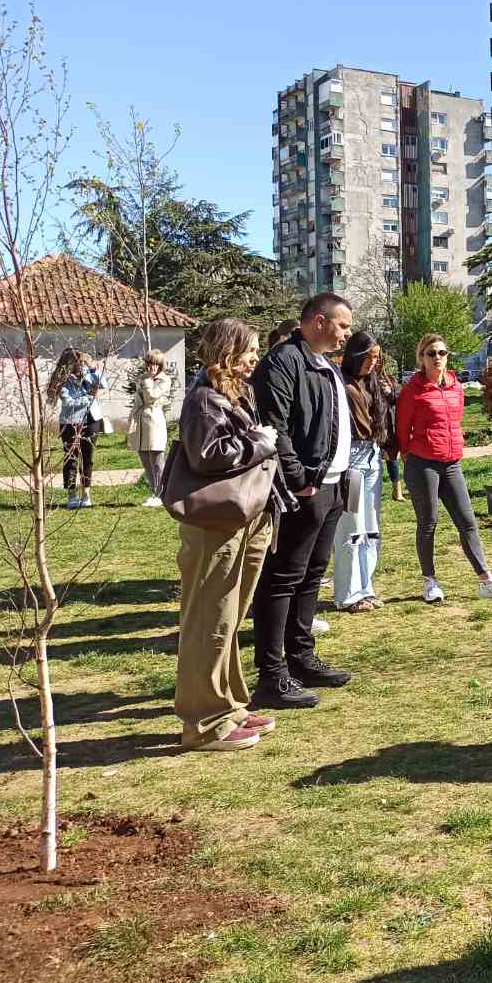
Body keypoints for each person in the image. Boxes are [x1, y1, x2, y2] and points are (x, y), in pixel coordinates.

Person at [172, 318, 289, 751]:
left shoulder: (234, 393)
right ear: (228, 351)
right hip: (215, 524)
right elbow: (207, 456)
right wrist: (259, 442)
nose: (256, 357)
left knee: (230, 617)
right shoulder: (204, 399)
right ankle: (204, 723)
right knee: (210, 619)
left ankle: (230, 705)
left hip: (244, 516)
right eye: (250, 350)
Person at [248, 294, 357, 710]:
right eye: (342, 325)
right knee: (282, 578)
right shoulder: (284, 361)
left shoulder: (325, 364)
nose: (347, 333)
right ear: (318, 321)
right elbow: (275, 426)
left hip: (331, 487)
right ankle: (272, 674)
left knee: (312, 575)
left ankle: (301, 657)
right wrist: (297, 480)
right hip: (305, 489)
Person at [396, 332, 492, 604]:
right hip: (422, 464)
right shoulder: (413, 391)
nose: (437, 358)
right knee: (428, 522)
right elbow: (402, 430)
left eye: (442, 352)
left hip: (452, 463)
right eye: (431, 353)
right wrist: (409, 458)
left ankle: (486, 580)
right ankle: (430, 581)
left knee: (467, 522)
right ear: (421, 358)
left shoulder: (456, 387)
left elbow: (456, 422)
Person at [332, 331, 390, 614]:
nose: (373, 362)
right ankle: (348, 594)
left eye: (376, 357)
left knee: (371, 528)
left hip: (372, 458)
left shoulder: (372, 383)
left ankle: (366, 588)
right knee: (351, 528)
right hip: (351, 462)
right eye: (369, 357)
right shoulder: (340, 382)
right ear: (355, 355)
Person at [50, 349, 106, 509]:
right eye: (79, 362)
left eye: (83, 362)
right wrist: (89, 398)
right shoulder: (62, 380)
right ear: (70, 364)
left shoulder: (88, 373)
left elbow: (103, 384)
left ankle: (86, 494)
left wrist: (94, 369)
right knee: (71, 458)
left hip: (92, 419)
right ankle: (72, 496)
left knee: (88, 458)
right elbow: (68, 402)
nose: (82, 365)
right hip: (71, 422)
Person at [128, 349, 174, 508]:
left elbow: (151, 397)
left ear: (160, 365)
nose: (151, 367)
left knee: (156, 459)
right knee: (145, 459)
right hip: (140, 422)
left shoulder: (164, 380)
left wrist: (147, 381)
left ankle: (162, 494)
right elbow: (138, 400)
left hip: (154, 421)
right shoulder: (143, 378)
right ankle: (154, 493)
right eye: (149, 363)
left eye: (155, 364)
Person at [373, 353, 405, 502]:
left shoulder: (390, 380)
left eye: (379, 360)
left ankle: (398, 490)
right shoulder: (364, 380)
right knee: (377, 458)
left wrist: (389, 391)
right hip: (374, 426)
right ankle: (374, 489)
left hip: (390, 425)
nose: (376, 363)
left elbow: (399, 397)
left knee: (392, 457)